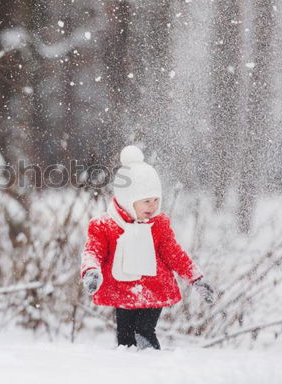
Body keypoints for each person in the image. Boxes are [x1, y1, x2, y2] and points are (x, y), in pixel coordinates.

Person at [80, 145, 215, 350]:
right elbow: (93, 250)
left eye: (155, 200)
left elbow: (175, 254)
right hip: (122, 289)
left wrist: (195, 278)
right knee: (125, 337)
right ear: (127, 200)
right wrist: (91, 271)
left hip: (154, 288)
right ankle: (128, 371)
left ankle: (151, 365)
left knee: (144, 330)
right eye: (145, 201)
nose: (152, 207)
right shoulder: (105, 226)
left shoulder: (158, 225)